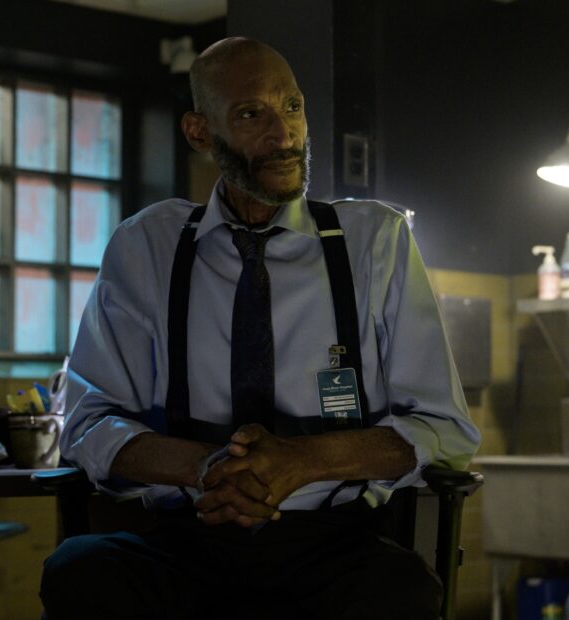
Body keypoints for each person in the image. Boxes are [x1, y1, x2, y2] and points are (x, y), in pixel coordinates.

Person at [39, 37, 480, 619]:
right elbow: (89, 423)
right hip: (187, 542)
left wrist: (303, 462)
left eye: (292, 107)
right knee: (80, 572)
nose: (283, 135)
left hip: (332, 545)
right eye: (252, 114)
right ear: (199, 132)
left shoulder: (375, 241)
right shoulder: (146, 245)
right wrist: (206, 468)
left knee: (401, 590)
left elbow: (443, 428)